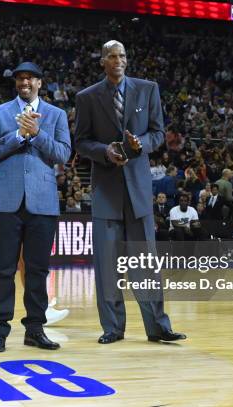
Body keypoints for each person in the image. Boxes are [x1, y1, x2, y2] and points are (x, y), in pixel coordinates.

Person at [75, 40, 185, 344]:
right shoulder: (87, 98)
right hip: (106, 191)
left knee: (145, 261)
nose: (118, 60)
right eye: (112, 56)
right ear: (102, 61)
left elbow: (158, 132)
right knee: (108, 265)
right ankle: (112, 328)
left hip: (138, 189)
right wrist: (105, 151)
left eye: (122, 55)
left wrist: (141, 145)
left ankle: (157, 327)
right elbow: (81, 141)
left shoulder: (148, 89)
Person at [0, 62, 71, 352]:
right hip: (5, 201)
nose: (25, 83)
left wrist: (37, 133)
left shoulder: (56, 115)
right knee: (3, 270)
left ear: (40, 83)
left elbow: (63, 153)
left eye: (30, 78)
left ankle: (35, 329)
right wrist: (19, 136)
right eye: (21, 78)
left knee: (38, 270)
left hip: (42, 202)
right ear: (16, 83)